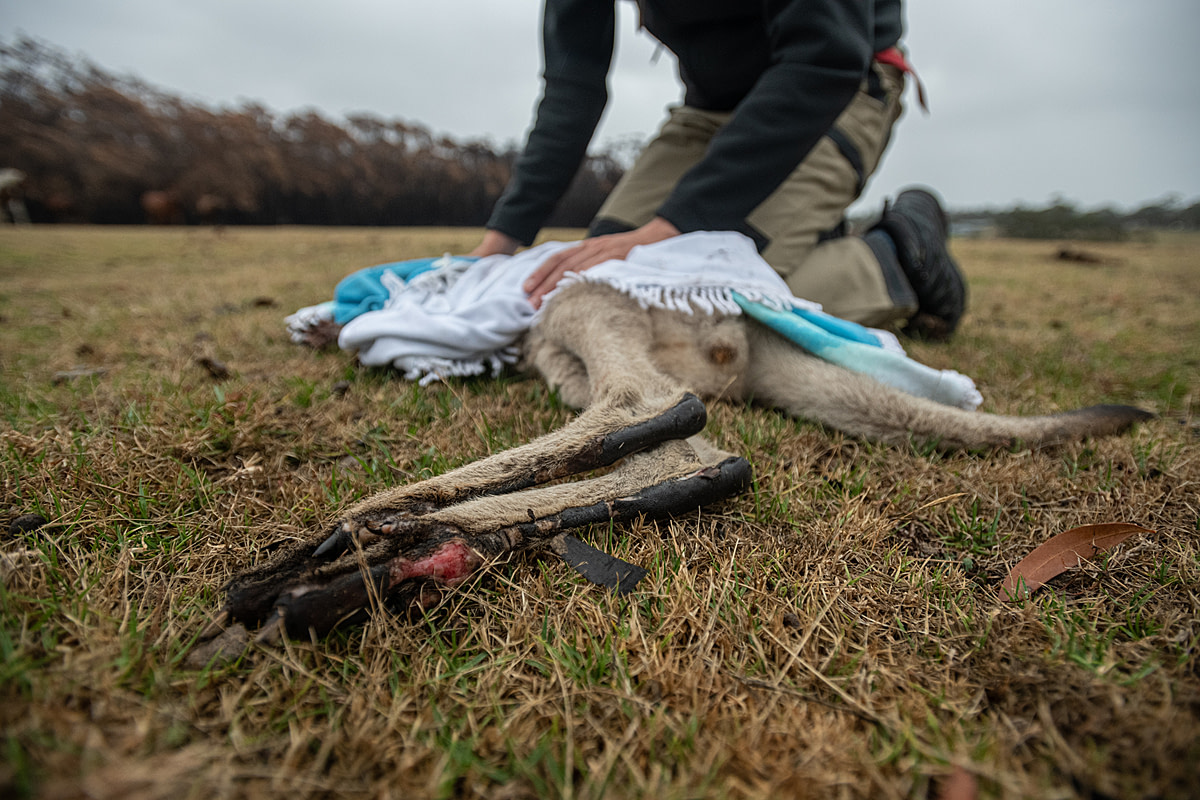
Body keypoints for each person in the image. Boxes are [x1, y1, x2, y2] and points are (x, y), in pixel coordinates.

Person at [469, 0, 967, 339]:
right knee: (600, 292)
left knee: (695, 307)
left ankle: (895, 258)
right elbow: (572, 85)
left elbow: (827, 57)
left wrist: (669, 230)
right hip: (711, 109)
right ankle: (794, 233)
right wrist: (499, 243)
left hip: (840, 84)